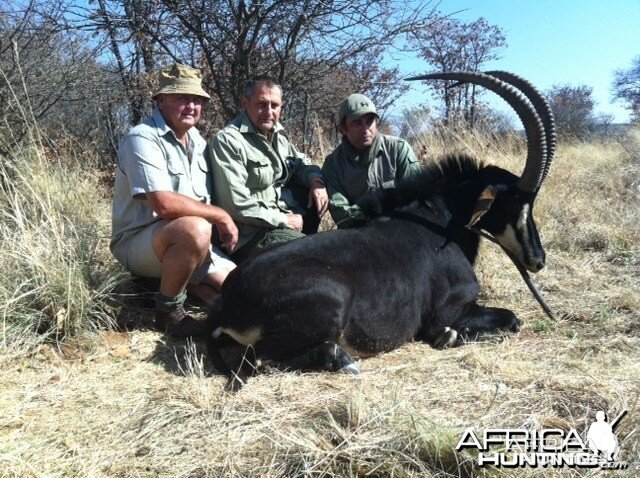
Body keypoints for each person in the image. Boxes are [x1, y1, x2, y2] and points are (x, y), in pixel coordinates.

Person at [111, 63, 238, 337]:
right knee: (195, 228)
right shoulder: (142, 138)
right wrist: (221, 216)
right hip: (139, 242)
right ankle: (168, 312)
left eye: (197, 100)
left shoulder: (199, 142)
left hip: (190, 243)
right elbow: (163, 204)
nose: (191, 106)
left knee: (242, 288)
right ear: (161, 100)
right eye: (183, 97)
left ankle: (178, 285)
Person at [207, 75, 328, 262]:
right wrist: (283, 220)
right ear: (245, 103)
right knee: (317, 256)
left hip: (279, 221)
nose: (268, 111)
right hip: (251, 234)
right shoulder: (228, 141)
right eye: (262, 104)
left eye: (274, 105)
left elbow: (302, 161)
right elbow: (236, 204)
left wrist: (316, 181)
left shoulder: (277, 136)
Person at [321, 93, 422, 228]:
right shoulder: (332, 164)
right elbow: (341, 214)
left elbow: (416, 197)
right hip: (360, 233)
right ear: (344, 128)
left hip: (401, 227)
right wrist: (371, 213)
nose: (366, 129)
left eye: (370, 121)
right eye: (357, 123)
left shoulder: (399, 148)